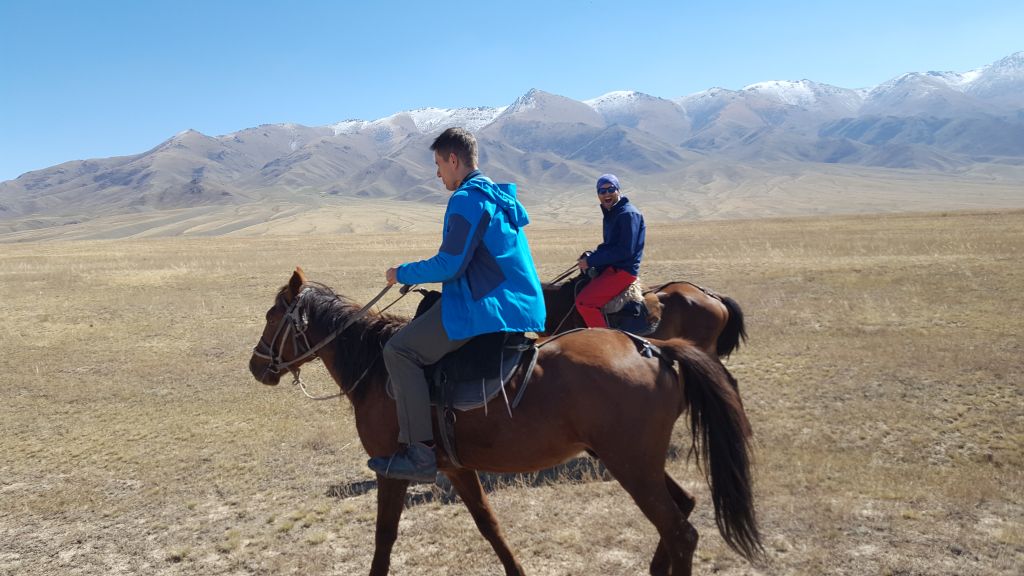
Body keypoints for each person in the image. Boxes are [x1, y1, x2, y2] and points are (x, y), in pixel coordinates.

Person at [367, 127, 547, 482]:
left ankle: (419, 454)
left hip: (486, 307)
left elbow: (451, 263)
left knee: (399, 351)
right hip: (519, 305)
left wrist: (401, 272)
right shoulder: (497, 197)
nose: (437, 174)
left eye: (438, 164)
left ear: (454, 160)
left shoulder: (466, 198)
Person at [575, 173, 646, 328]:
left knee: (584, 303)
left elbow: (625, 250)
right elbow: (610, 246)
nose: (606, 194)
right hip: (612, 268)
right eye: (602, 191)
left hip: (623, 271)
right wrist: (591, 256)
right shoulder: (613, 213)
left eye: (610, 189)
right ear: (598, 195)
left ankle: (605, 343)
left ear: (618, 190)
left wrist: (592, 261)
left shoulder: (628, 214)